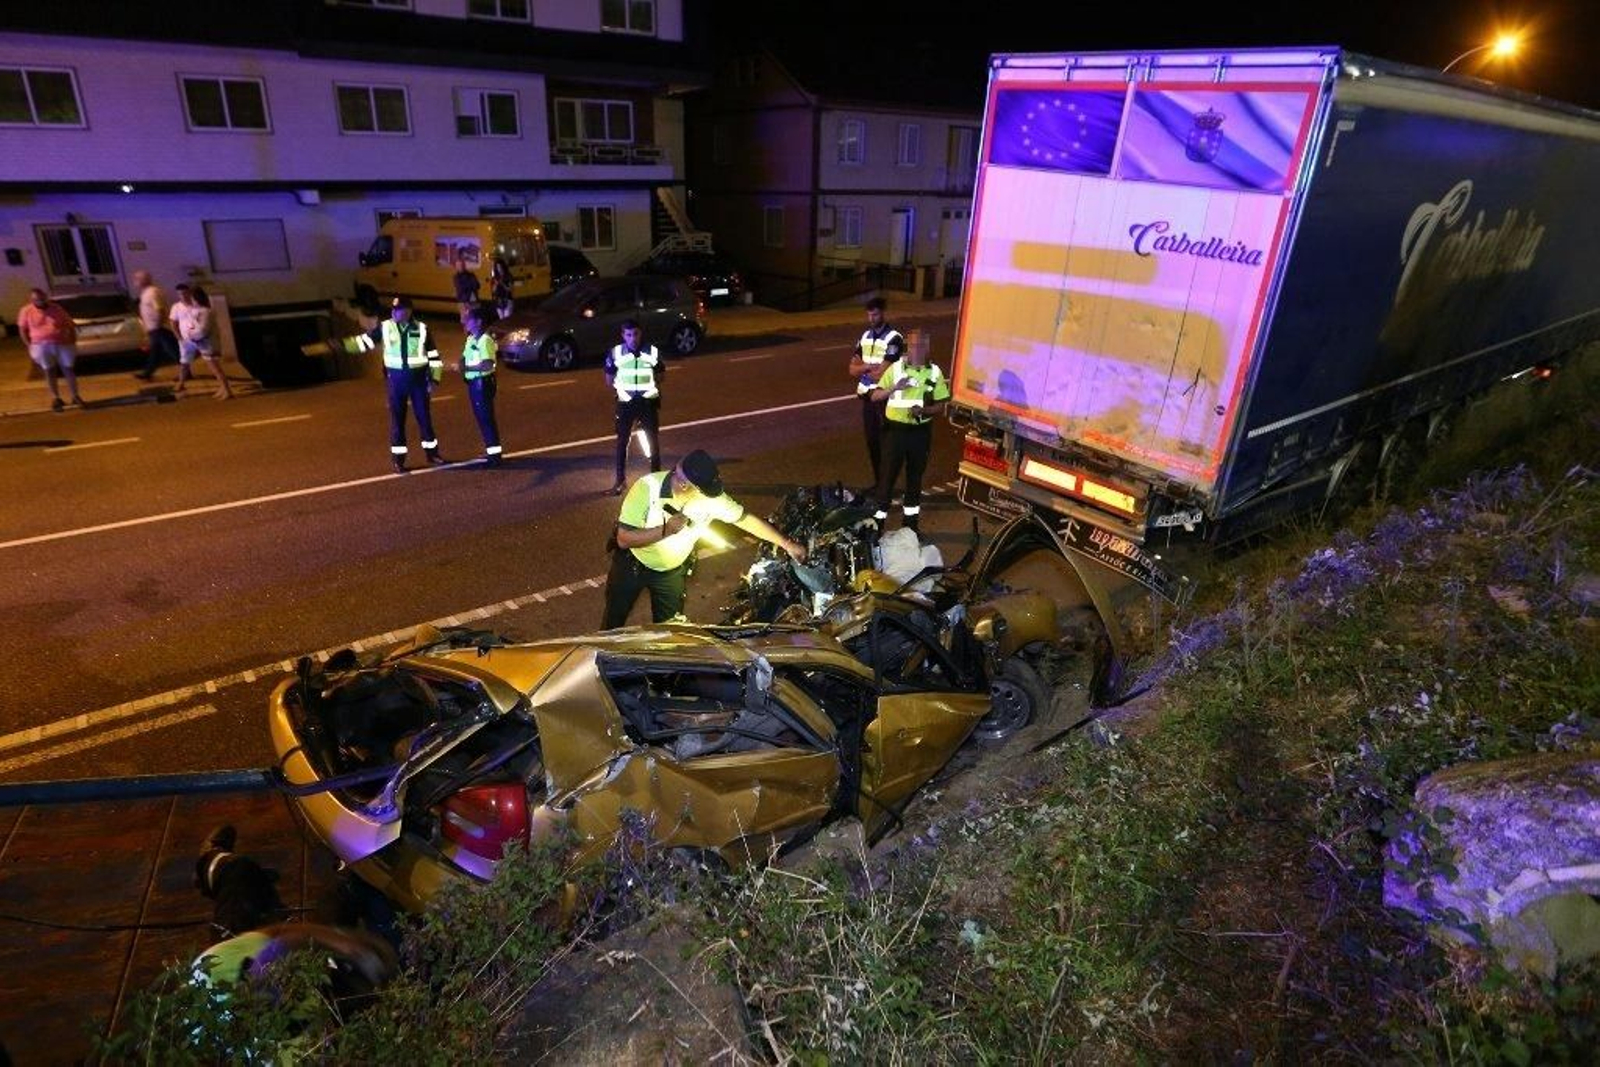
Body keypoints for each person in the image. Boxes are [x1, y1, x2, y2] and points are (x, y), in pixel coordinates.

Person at [603, 449, 804, 628]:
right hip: (632, 567)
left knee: (669, 634)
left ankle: (662, 670)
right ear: (683, 484)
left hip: (670, 574)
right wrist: (667, 530)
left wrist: (786, 544)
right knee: (613, 624)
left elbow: (745, 519)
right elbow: (624, 539)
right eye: (703, 491)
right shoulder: (647, 488)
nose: (712, 497)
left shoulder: (713, 499)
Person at [869, 328, 950, 532]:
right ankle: (877, 526)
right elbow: (875, 396)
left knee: (915, 479)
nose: (917, 349)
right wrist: (894, 388)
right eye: (913, 345)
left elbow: (941, 405)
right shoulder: (895, 369)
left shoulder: (934, 372)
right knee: (887, 478)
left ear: (928, 347)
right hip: (894, 432)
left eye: (921, 345)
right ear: (907, 346)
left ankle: (910, 527)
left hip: (919, 434)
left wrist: (924, 410)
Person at [355, 297, 444, 472]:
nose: (394, 313)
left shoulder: (422, 329)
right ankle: (398, 460)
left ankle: (432, 454)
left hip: (418, 382)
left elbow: (434, 357)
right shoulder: (385, 327)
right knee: (397, 421)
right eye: (393, 310)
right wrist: (341, 345)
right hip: (396, 382)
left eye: (398, 310)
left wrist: (434, 380)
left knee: (425, 419)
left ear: (409, 311)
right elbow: (364, 342)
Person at [847, 296, 904, 491]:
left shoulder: (894, 338)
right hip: (868, 401)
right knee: (872, 443)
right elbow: (851, 369)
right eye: (869, 314)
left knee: (886, 444)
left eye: (875, 314)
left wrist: (864, 370)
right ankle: (879, 483)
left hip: (884, 400)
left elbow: (883, 373)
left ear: (883, 313)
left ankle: (887, 485)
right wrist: (867, 367)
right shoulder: (865, 337)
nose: (872, 318)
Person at [605, 318, 663, 495]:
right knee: (622, 443)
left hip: (647, 403)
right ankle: (620, 481)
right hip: (626, 404)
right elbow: (608, 380)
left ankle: (657, 480)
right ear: (623, 335)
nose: (633, 338)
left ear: (641, 333)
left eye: (636, 334)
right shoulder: (615, 353)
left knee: (653, 443)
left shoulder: (652, 351)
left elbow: (661, 375)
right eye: (629, 335)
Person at [16, 288, 83, 411]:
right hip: (40, 345)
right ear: (31, 300)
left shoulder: (56, 308)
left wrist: (73, 340)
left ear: (45, 297)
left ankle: (75, 396)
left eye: (41, 298)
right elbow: (22, 330)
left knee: (68, 369)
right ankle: (56, 398)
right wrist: (29, 345)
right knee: (49, 371)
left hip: (62, 343)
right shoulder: (26, 311)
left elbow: (69, 324)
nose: (40, 301)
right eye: (36, 299)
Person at [454, 307, 502, 466]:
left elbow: (488, 365)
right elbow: (465, 356)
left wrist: (466, 368)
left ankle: (494, 457)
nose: (465, 322)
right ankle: (490, 450)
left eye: (469, 319)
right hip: (474, 384)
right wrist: (461, 362)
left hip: (483, 383)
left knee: (486, 418)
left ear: (479, 322)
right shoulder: (471, 338)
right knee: (481, 419)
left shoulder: (485, 340)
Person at [170, 285, 234, 399]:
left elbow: (203, 330)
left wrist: (191, 334)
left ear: (197, 298)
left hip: (206, 343)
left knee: (215, 369)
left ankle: (227, 390)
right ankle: (223, 389)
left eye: (192, 297)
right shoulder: (198, 310)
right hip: (200, 342)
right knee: (212, 368)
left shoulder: (205, 311)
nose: (190, 299)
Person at [132, 270, 181, 381]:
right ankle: (148, 372)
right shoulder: (146, 292)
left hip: (159, 327)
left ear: (143, 280)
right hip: (154, 328)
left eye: (136, 279)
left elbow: (160, 309)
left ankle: (186, 372)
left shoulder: (152, 292)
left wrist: (158, 324)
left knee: (172, 350)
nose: (134, 282)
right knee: (156, 351)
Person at [452, 256, 480, 322]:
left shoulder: (471, 275)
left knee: (475, 319)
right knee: (465, 320)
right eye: (459, 265)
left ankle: (473, 332)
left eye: (462, 265)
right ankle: (467, 332)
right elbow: (460, 287)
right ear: (456, 267)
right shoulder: (456, 277)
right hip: (463, 301)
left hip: (473, 300)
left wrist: (469, 285)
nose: (461, 267)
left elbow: (477, 285)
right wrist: (471, 285)